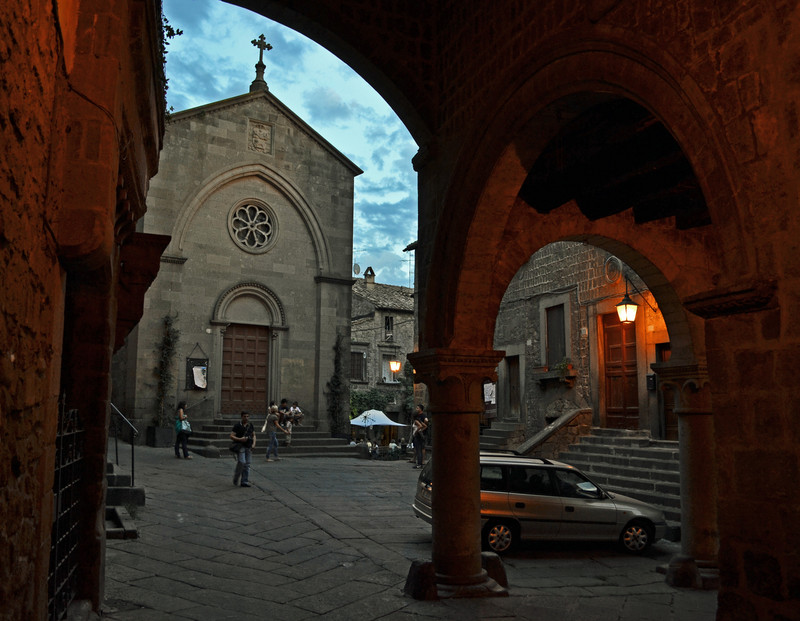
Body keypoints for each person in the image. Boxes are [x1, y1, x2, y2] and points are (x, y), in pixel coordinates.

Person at [230, 411, 256, 487]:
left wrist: (254, 444)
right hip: (240, 446)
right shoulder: (237, 425)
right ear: (241, 417)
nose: (246, 418)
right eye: (245, 416)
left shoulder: (250, 425)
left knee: (247, 464)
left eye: (248, 416)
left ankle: (244, 481)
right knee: (242, 462)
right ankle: (236, 476)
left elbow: (254, 435)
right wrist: (240, 439)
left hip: (248, 446)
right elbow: (231, 436)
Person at [412, 404, 428, 469]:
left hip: (418, 436)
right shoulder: (420, 420)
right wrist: (421, 430)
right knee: (420, 449)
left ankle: (419, 464)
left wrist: (417, 431)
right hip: (420, 436)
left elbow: (421, 426)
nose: (416, 409)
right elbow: (425, 426)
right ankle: (420, 463)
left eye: (417, 408)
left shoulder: (416, 421)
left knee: (419, 450)